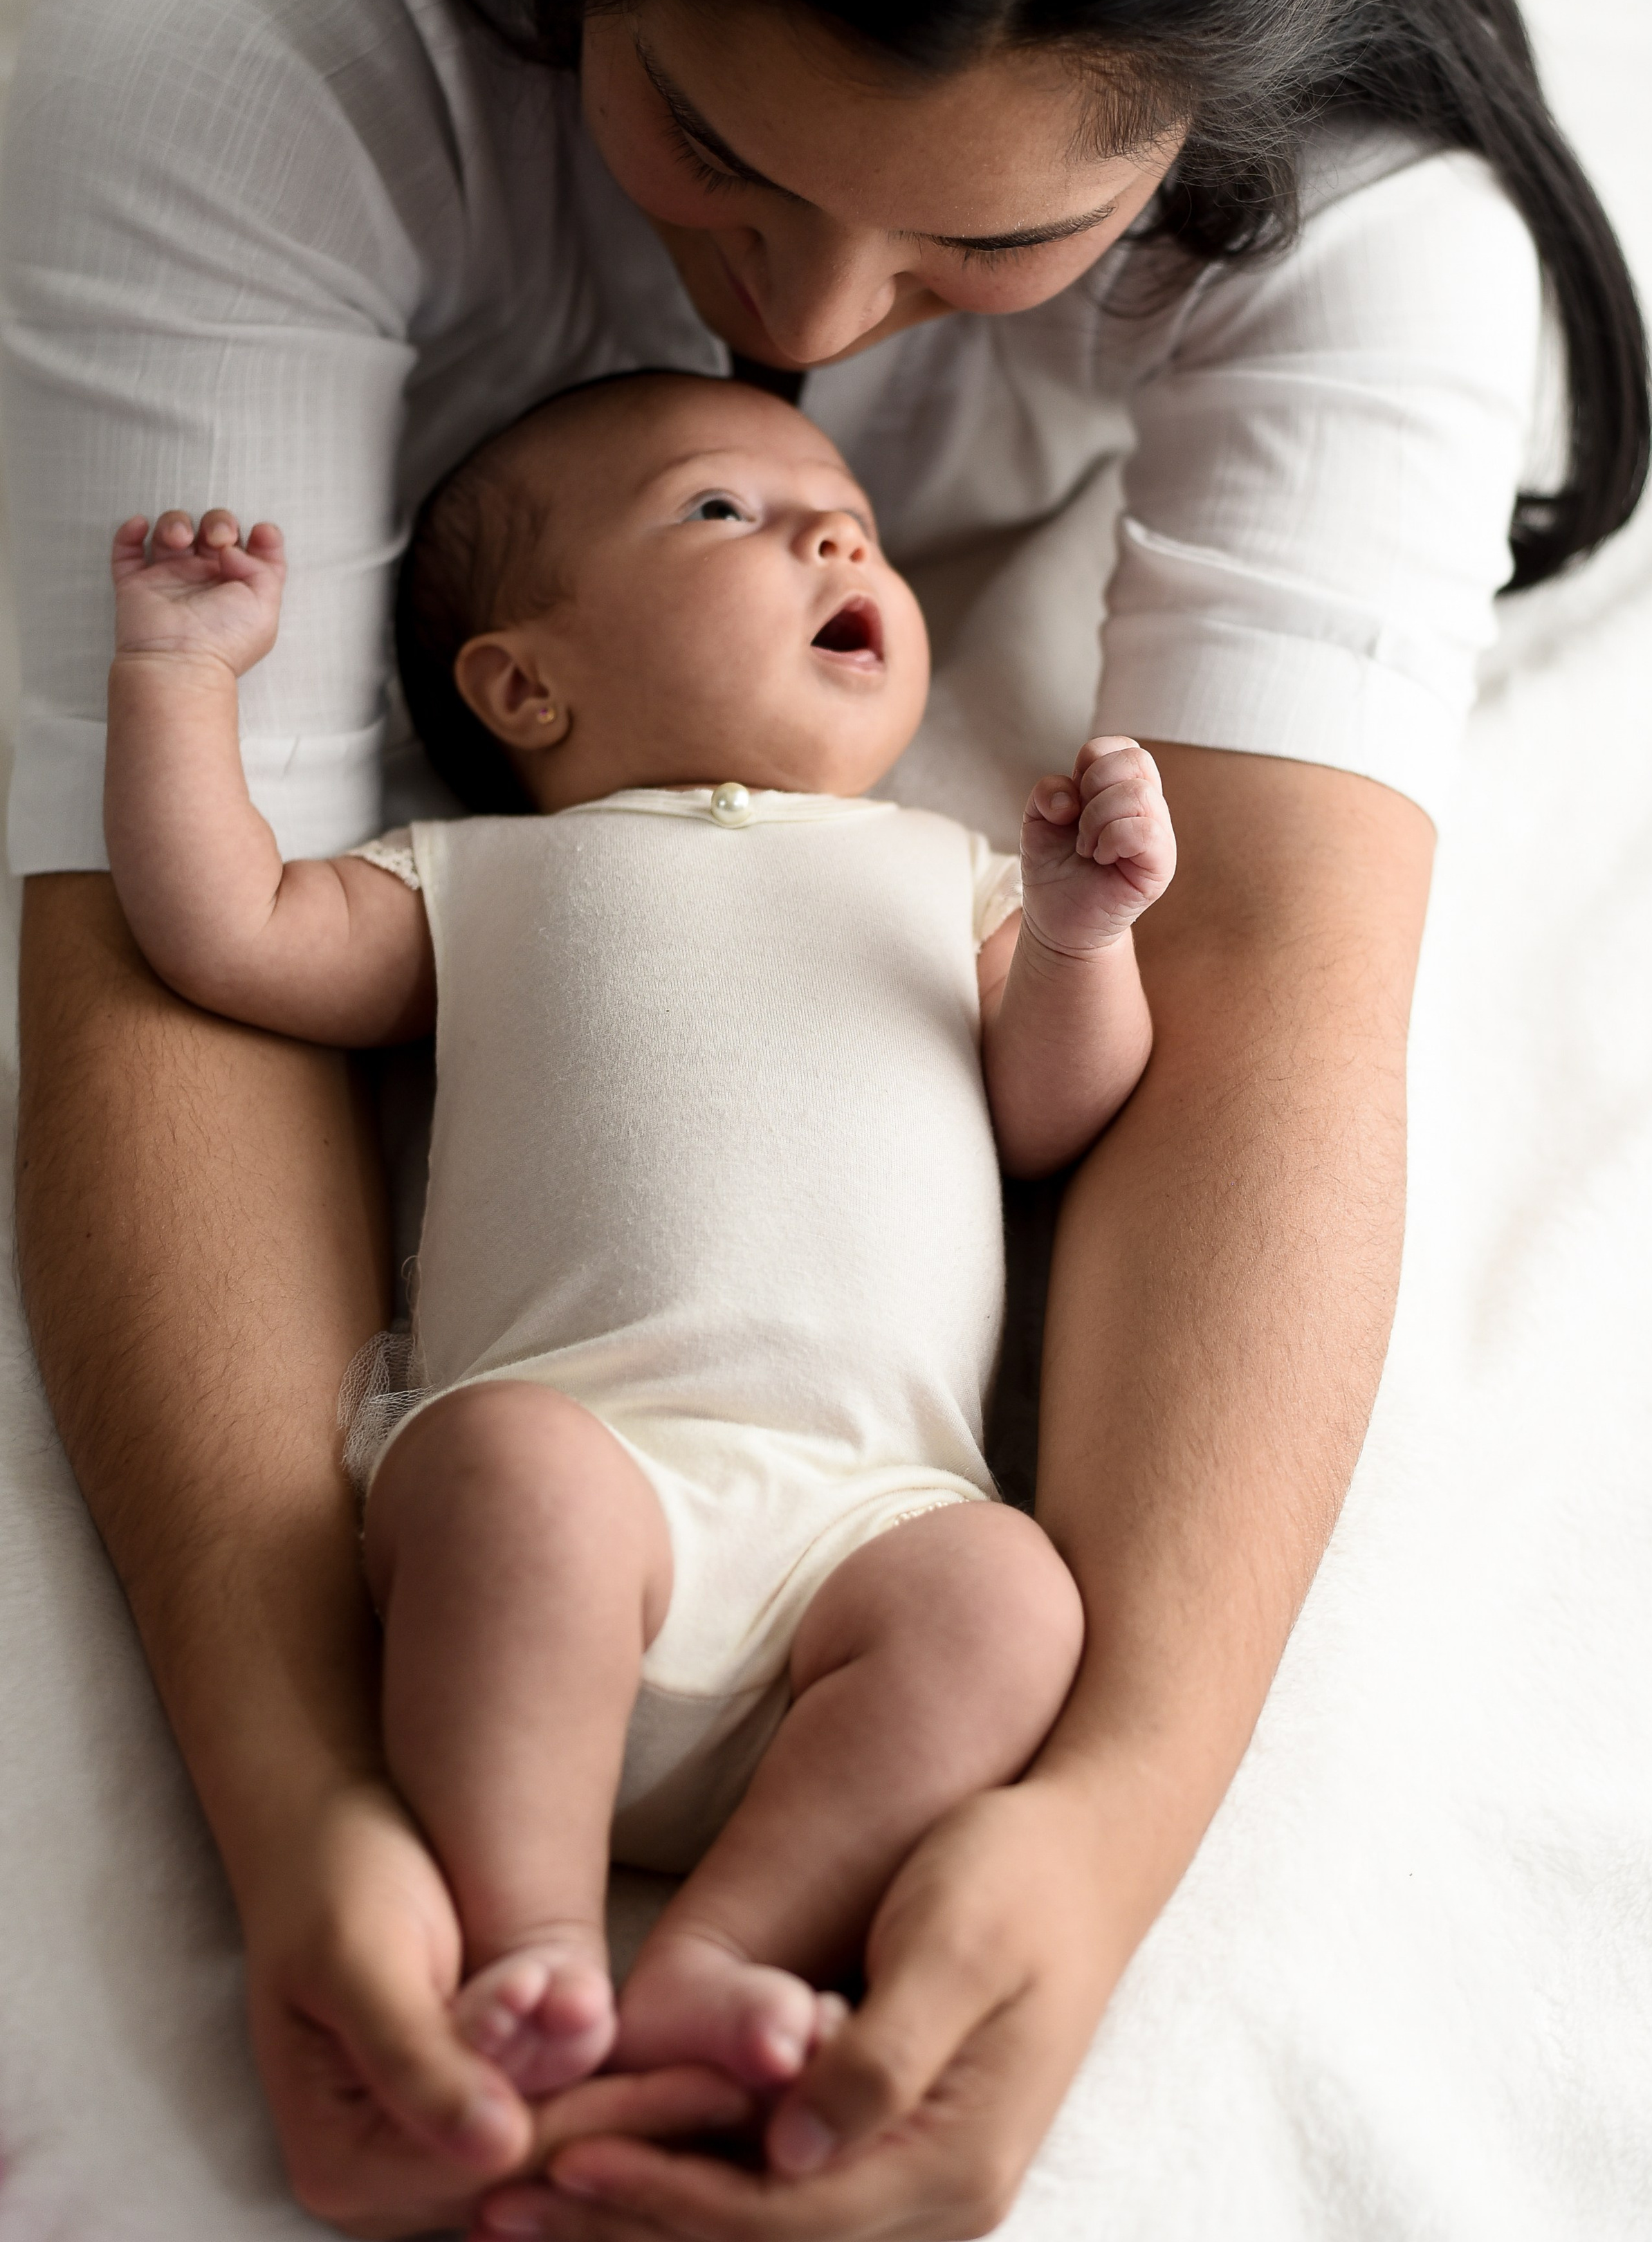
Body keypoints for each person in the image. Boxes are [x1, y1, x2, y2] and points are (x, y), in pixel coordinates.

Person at [0, 0, 1650, 2236]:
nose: (807, 336)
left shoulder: (1356, 190)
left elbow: (1272, 996)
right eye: (717, 151)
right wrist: (297, 1798)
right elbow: (163, 943)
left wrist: (1098, 1833)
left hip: (842, 1511)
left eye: (996, 251)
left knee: (1004, 1607)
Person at [101, 368, 1176, 2116]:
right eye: (720, 511)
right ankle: (532, 1935)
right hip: (561, 1511)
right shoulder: (481, 875)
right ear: (525, 681)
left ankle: (725, 1951)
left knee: (1009, 1598)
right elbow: (224, 931)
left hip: (868, 1528)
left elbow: (1055, 1112)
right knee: (509, 1470)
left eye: (853, 522)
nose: (834, 533)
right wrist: (174, 681)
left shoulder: (949, 871)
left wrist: (1079, 938)